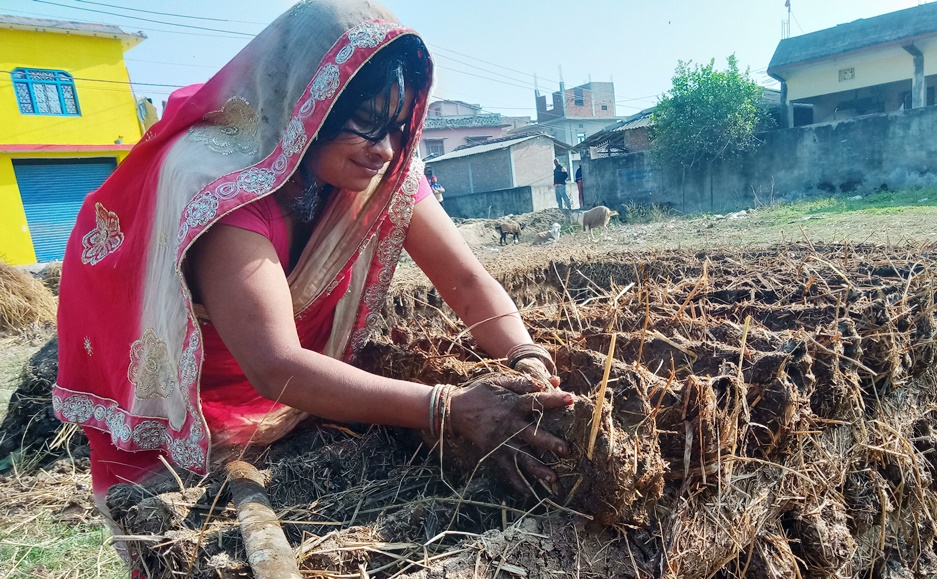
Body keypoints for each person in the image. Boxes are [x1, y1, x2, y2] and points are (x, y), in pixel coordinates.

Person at [54, 0, 573, 526]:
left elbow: (464, 278)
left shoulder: (381, 176)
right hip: (182, 421)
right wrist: (448, 407)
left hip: (300, 403)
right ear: (305, 105)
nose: (387, 150)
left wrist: (525, 355)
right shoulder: (218, 184)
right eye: (367, 123)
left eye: (399, 127)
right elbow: (275, 364)